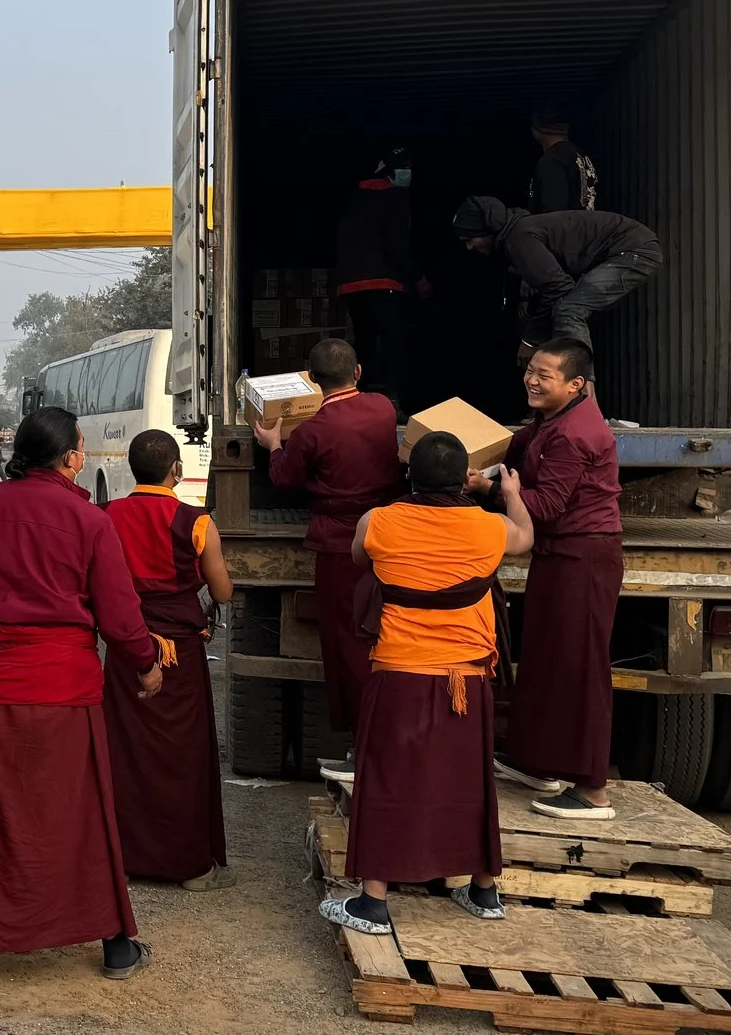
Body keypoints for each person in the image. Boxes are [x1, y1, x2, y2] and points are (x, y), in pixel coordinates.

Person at [0, 406, 162, 990]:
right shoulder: (86, 518)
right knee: (80, 812)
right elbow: (119, 612)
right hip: (63, 684)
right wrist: (146, 663)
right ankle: (114, 945)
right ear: (69, 457)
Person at [323, 434, 531, 938]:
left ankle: (373, 903)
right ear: (465, 479)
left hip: (400, 672)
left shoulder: (379, 522)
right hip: (467, 677)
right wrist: (511, 492)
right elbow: (526, 537)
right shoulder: (489, 530)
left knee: (387, 781)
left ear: (409, 477)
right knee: (471, 781)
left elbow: (356, 558)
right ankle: (483, 890)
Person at [257, 338, 402, 780]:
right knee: (385, 640)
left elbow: (284, 479)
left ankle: (365, 749)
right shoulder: (383, 408)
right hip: (389, 534)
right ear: (357, 372)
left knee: (347, 646)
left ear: (312, 379)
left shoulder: (313, 431)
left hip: (340, 544)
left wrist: (273, 444)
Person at [494, 339, 626, 819]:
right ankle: (540, 763)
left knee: (581, 670)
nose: (532, 380)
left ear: (575, 384)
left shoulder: (573, 435)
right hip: (557, 556)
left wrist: (499, 490)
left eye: (544, 375)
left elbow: (545, 506)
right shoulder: (552, 421)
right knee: (547, 661)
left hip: (583, 558)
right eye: (530, 370)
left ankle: (593, 791)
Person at [102, 429, 235, 889]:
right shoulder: (196, 522)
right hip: (180, 652)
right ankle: (190, 867)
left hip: (127, 647)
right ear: (175, 470)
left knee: (126, 749)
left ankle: (124, 858)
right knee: (183, 753)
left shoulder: (108, 516)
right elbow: (222, 591)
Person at [453, 197, 661, 358]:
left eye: (470, 239)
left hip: (631, 250)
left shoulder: (518, 238)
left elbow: (559, 288)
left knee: (569, 310)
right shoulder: (521, 231)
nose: (469, 247)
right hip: (627, 249)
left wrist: (530, 341)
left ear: (487, 230)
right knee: (563, 313)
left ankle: (581, 398)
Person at [334, 149, 417, 411]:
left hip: (350, 284)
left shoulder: (353, 196)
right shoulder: (394, 196)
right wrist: (416, 277)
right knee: (392, 340)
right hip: (384, 282)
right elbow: (397, 245)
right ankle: (391, 399)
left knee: (364, 340)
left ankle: (356, 397)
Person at [529, 106, 598, 213]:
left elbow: (554, 214)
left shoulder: (551, 161)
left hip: (566, 229)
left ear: (537, 128)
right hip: (587, 226)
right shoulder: (582, 156)